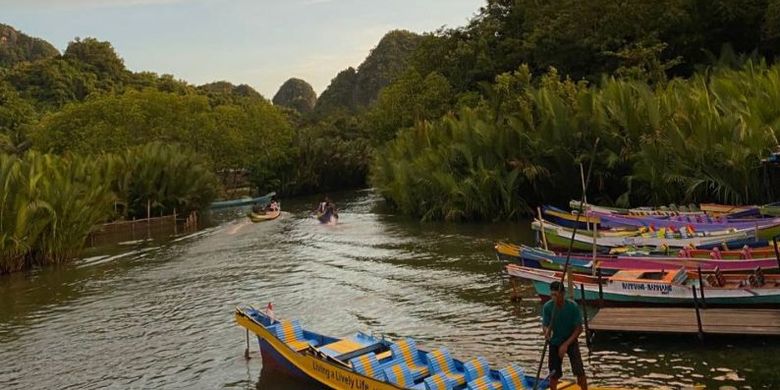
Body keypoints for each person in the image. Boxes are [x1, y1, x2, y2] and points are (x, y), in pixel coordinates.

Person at [542, 281, 587, 390]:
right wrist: (546, 332)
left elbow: (579, 329)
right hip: (555, 341)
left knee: (579, 370)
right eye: (552, 295)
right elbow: (545, 325)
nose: (553, 298)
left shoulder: (572, 306)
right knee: (554, 373)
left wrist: (566, 344)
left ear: (562, 294)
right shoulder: (548, 307)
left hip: (570, 340)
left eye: (556, 295)